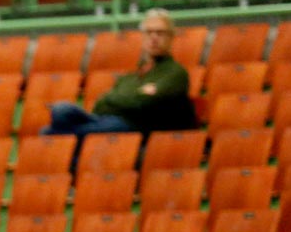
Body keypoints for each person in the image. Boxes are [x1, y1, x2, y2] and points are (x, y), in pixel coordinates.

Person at [41, 9, 196, 152]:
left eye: (160, 33)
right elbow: (102, 105)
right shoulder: (130, 77)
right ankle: (66, 144)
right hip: (109, 121)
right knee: (62, 110)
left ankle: (63, 142)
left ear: (171, 37)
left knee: (49, 133)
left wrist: (115, 98)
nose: (154, 38)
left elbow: (144, 103)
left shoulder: (175, 73)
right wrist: (129, 97)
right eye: (149, 33)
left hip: (136, 128)